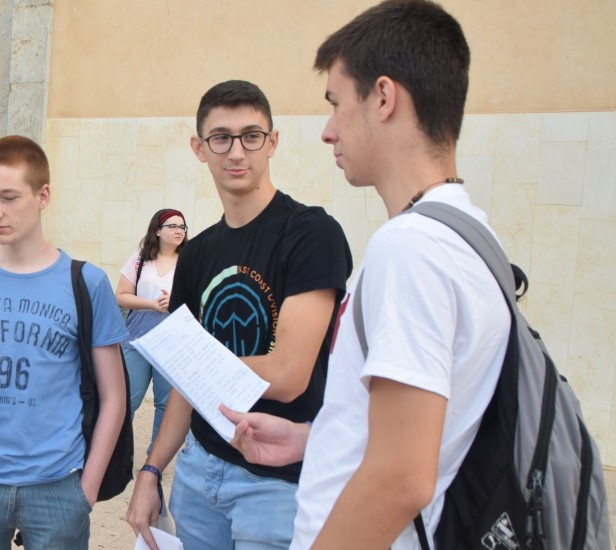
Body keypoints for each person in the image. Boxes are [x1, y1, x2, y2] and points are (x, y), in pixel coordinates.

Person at [218, 1, 511, 548]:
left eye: (335, 103)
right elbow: (426, 430)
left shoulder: (411, 248)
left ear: (382, 97)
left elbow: (401, 478)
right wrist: (316, 439)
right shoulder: (468, 232)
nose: (328, 131)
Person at [125, 80, 352, 550]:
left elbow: (288, 375)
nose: (236, 152)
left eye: (251, 136)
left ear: (272, 142)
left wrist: (195, 363)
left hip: (275, 483)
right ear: (199, 148)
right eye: (220, 138)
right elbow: (187, 390)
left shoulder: (311, 233)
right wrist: (151, 471)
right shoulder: (198, 252)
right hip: (197, 472)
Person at [0, 135, 128, 548]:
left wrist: (86, 489)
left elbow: (114, 395)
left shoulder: (87, 283)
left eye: (8, 197)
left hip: (57, 485)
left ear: (43, 196)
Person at [115, 208, 188, 452]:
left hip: (173, 344)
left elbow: (199, 300)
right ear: (158, 230)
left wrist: (176, 301)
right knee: (128, 400)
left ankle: (154, 459)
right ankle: (118, 454)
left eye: (182, 227)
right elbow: (121, 296)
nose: (179, 231)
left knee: (165, 405)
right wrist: (150, 303)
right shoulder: (139, 259)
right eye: (173, 226)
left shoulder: (190, 260)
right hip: (137, 340)